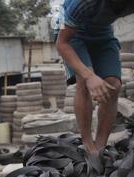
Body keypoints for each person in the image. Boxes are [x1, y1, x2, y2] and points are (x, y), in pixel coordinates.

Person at [56, 0, 134, 156]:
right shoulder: (84, 2)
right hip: (71, 34)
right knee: (84, 82)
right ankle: (87, 143)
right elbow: (62, 43)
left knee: (113, 85)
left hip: (102, 33)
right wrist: (89, 75)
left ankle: (100, 145)